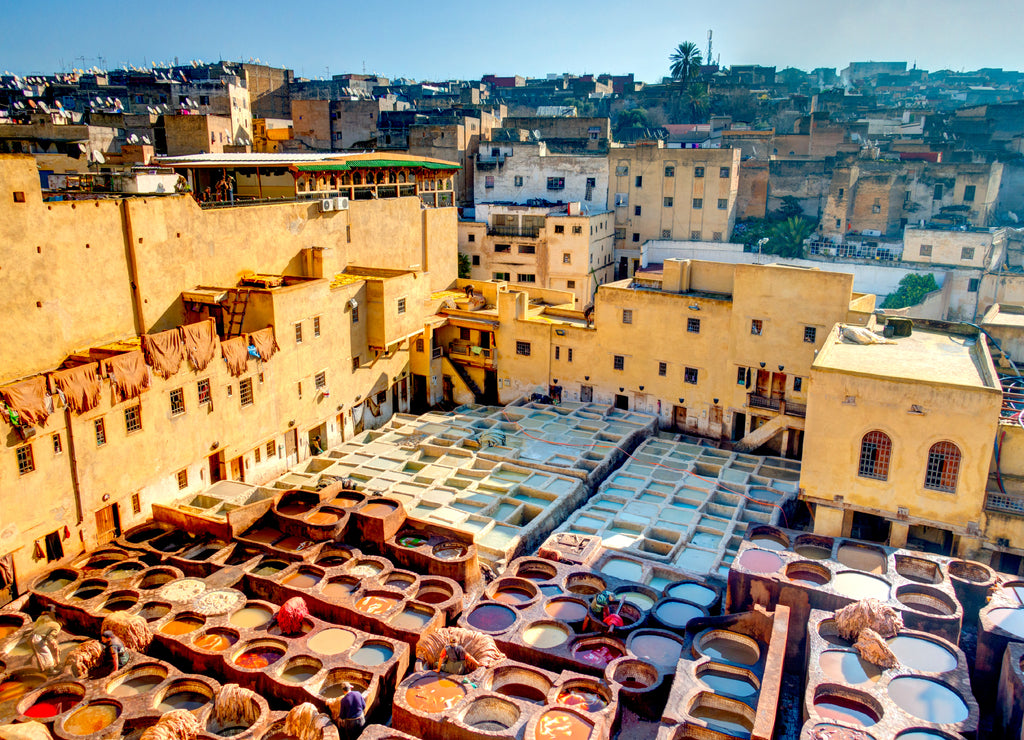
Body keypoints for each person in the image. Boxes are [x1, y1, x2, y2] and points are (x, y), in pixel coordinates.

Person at [30, 605, 61, 674]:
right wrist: (48, 642)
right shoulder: (56, 625)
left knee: (38, 655)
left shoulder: (41, 617)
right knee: (47, 653)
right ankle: (51, 670)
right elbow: (50, 637)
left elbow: (37, 627)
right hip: (37, 638)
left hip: (32, 636)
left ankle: (42, 669)